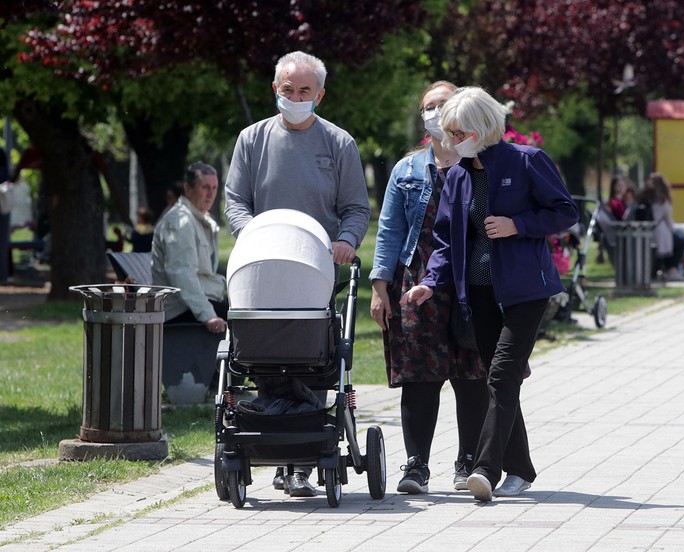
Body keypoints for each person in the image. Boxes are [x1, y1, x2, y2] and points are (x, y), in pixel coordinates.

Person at [401, 87, 579, 502]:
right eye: (450, 132)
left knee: (500, 375)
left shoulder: (527, 161)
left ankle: (484, 469)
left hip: (525, 291)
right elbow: (446, 241)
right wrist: (430, 282)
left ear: (481, 128)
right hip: (477, 294)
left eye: (458, 132)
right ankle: (521, 470)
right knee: (501, 379)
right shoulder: (457, 176)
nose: (451, 140)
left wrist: (518, 225)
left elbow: (565, 212)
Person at [224, 50, 370, 497]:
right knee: (264, 351)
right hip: (262, 266)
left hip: (315, 268)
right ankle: (269, 434)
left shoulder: (339, 143)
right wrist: (254, 236)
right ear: (275, 89)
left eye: (305, 90)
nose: (295, 97)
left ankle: (302, 459)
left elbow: (355, 208)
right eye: (288, 89)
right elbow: (235, 201)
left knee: (312, 352)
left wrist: (346, 240)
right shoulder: (252, 139)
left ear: (320, 95)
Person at [370, 81, 488, 494]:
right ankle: (416, 465)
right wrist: (379, 286)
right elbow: (389, 231)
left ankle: (468, 461)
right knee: (418, 375)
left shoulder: (480, 164)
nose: (436, 112)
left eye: (444, 104)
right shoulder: (406, 171)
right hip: (416, 281)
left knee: (472, 374)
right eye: (429, 106)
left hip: (471, 280)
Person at [151, 162, 227, 334]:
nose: (211, 194)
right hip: (179, 310)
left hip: (196, 303)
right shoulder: (180, 222)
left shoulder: (199, 220)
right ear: (188, 188)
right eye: (205, 187)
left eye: (214, 188)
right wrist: (207, 315)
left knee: (248, 314)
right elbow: (182, 274)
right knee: (247, 323)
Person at [637, 173, 684, 280]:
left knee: (666, 248)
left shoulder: (644, 197)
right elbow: (669, 222)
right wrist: (675, 231)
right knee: (680, 243)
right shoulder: (663, 201)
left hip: (645, 231)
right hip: (660, 231)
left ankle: (667, 271)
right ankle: (672, 270)